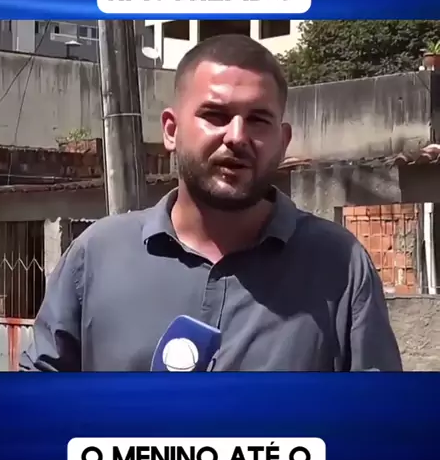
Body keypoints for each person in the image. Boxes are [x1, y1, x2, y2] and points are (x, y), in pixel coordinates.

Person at [20, 33, 403, 372]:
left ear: (283, 141)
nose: (236, 136)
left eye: (258, 120)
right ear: (171, 130)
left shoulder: (339, 266)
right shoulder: (96, 256)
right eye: (215, 115)